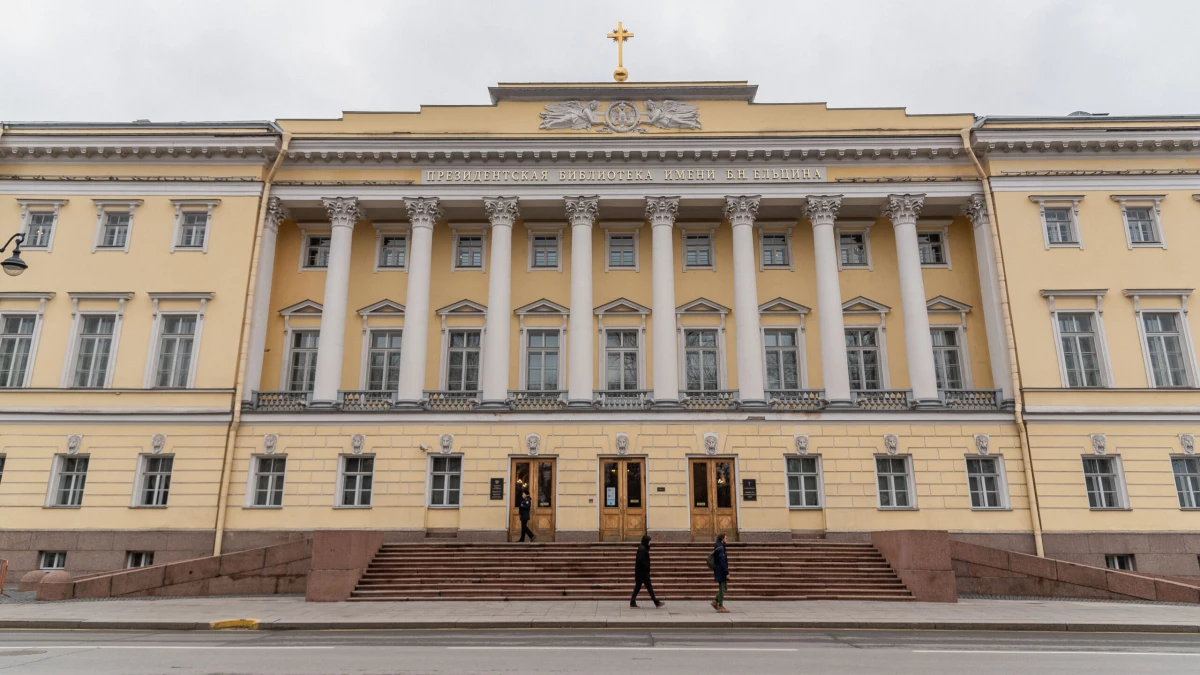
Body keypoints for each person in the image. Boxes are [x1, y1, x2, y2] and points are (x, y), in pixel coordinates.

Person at [629, 534, 664, 608]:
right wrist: (646, 570)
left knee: (638, 587)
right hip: (642, 573)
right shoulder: (642, 550)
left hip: (641, 572)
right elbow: (641, 561)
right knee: (649, 587)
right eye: (649, 542)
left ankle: (632, 601)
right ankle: (656, 602)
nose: (650, 543)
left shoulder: (642, 548)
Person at [711, 533, 729, 612]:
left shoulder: (718, 546)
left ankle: (715, 601)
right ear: (722, 539)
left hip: (718, 569)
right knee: (722, 588)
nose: (726, 539)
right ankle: (720, 606)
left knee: (724, 587)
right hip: (721, 570)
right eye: (726, 538)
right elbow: (722, 562)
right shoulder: (721, 548)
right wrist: (726, 572)